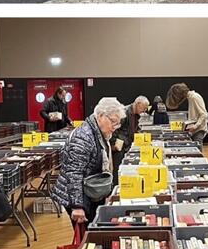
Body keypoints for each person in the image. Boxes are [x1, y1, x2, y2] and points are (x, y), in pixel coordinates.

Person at [51, 97, 125, 227]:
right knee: (86, 237)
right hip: (80, 196)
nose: (115, 127)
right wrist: (78, 206)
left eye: (118, 123)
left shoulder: (99, 132)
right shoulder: (83, 137)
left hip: (90, 191)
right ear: (101, 116)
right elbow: (74, 173)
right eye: (113, 121)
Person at [111, 95, 150, 178]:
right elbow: (114, 128)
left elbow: (134, 127)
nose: (144, 110)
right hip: (120, 146)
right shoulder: (124, 113)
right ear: (138, 104)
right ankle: (116, 185)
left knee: (124, 168)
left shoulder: (136, 114)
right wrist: (115, 144)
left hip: (127, 145)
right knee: (118, 169)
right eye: (144, 108)